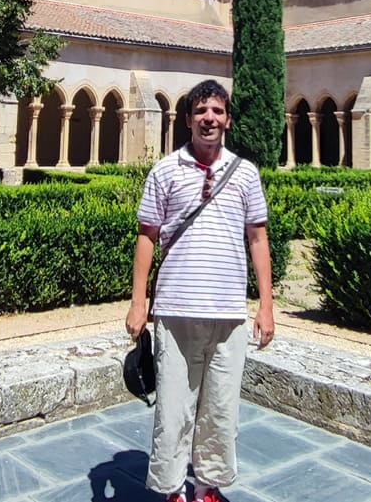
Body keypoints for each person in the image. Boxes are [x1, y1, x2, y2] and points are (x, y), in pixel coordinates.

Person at [126, 79, 275, 502]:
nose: (209, 118)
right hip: (175, 309)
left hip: (228, 312)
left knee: (220, 410)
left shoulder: (246, 174)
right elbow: (146, 236)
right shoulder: (165, 170)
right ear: (188, 118)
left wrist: (266, 306)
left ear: (227, 120)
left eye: (217, 111)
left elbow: (258, 238)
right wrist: (139, 304)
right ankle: (173, 488)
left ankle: (206, 486)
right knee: (173, 409)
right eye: (201, 111)